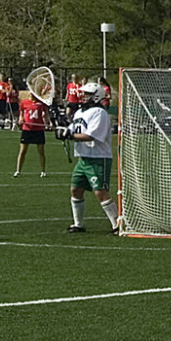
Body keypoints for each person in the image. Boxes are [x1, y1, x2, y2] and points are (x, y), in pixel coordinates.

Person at [64, 82, 120, 234]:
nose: (83, 96)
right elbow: (73, 130)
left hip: (98, 157)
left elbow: (91, 136)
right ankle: (78, 224)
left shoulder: (99, 113)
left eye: (87, 94)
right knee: (75, 189)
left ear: (96, 96)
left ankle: (117, 225)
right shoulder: (79, 112)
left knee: (100, 192)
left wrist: (71, 136)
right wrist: (63, 130)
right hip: (83, 158)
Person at [14, 88, 51, 176]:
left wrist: (47, 123)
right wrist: (20, 120)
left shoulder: (41, 103)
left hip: (38, 130)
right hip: (27, 129)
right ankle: (18, 170)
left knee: (41, 151)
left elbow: (46, 114)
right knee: (22, 151)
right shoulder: (24, 102)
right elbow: (21, 113)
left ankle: (43, 171)